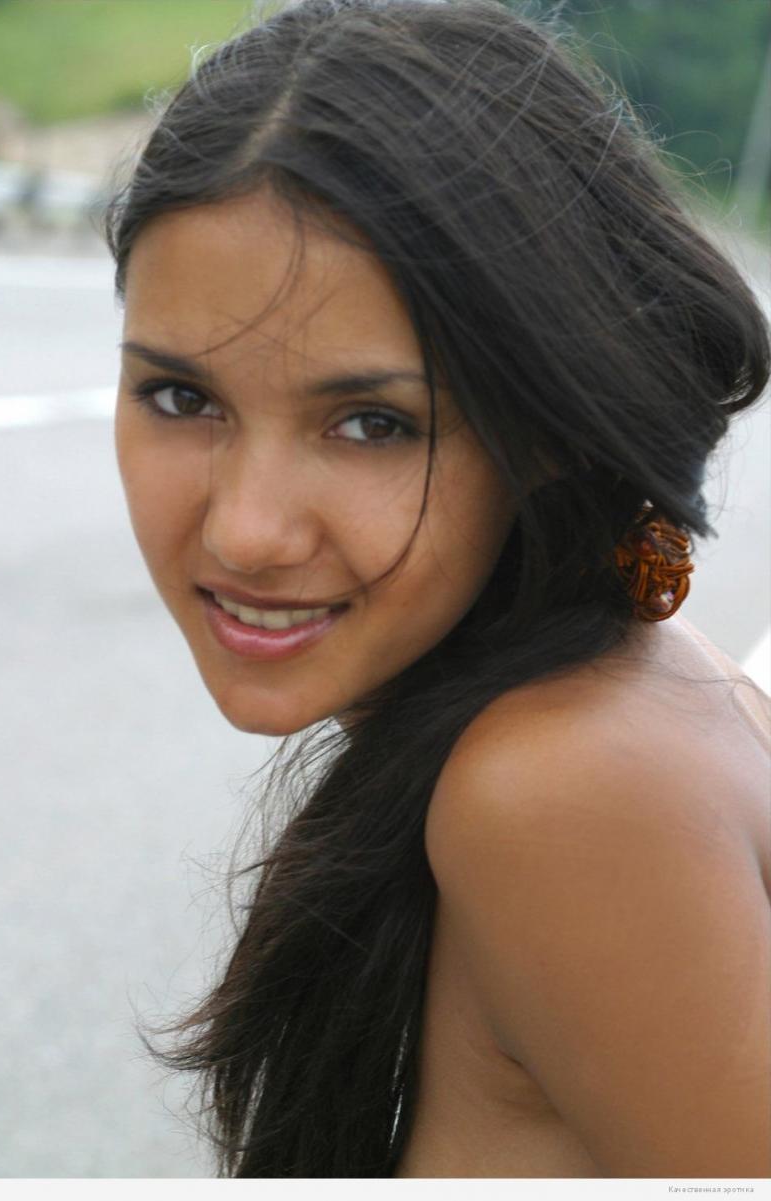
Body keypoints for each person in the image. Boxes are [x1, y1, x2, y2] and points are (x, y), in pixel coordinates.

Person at [105, 0, 771, 1179]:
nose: (246, 530)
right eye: (180, 398)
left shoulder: (557, 791)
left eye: (372, 423)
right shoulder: (612, 700)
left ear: (550, 425)